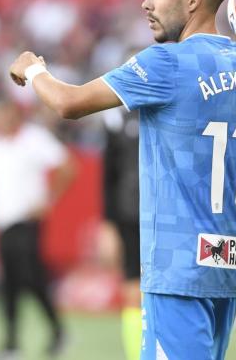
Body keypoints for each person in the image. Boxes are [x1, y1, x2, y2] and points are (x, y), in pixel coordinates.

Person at [9, 0, 236, 360]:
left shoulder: (165, 62)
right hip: (230, 261)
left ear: (192, 0)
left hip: (179, 266)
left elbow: (69, 103)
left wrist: (32, 68)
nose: (147, 3)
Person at [0, 101, 75, 359]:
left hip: (27, 221)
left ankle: (51, 331)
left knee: (30, 277)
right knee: (10, 282)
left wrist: (49, 199)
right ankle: (14, 341)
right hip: (3, 222)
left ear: (14, 115)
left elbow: (67, 166)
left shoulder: (34, 138)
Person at [99, 108, 142, 360]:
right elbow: (108, 176)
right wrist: (108, 224)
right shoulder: (116, 120)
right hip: (131, 215)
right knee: (133, 289)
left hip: (169, 216)